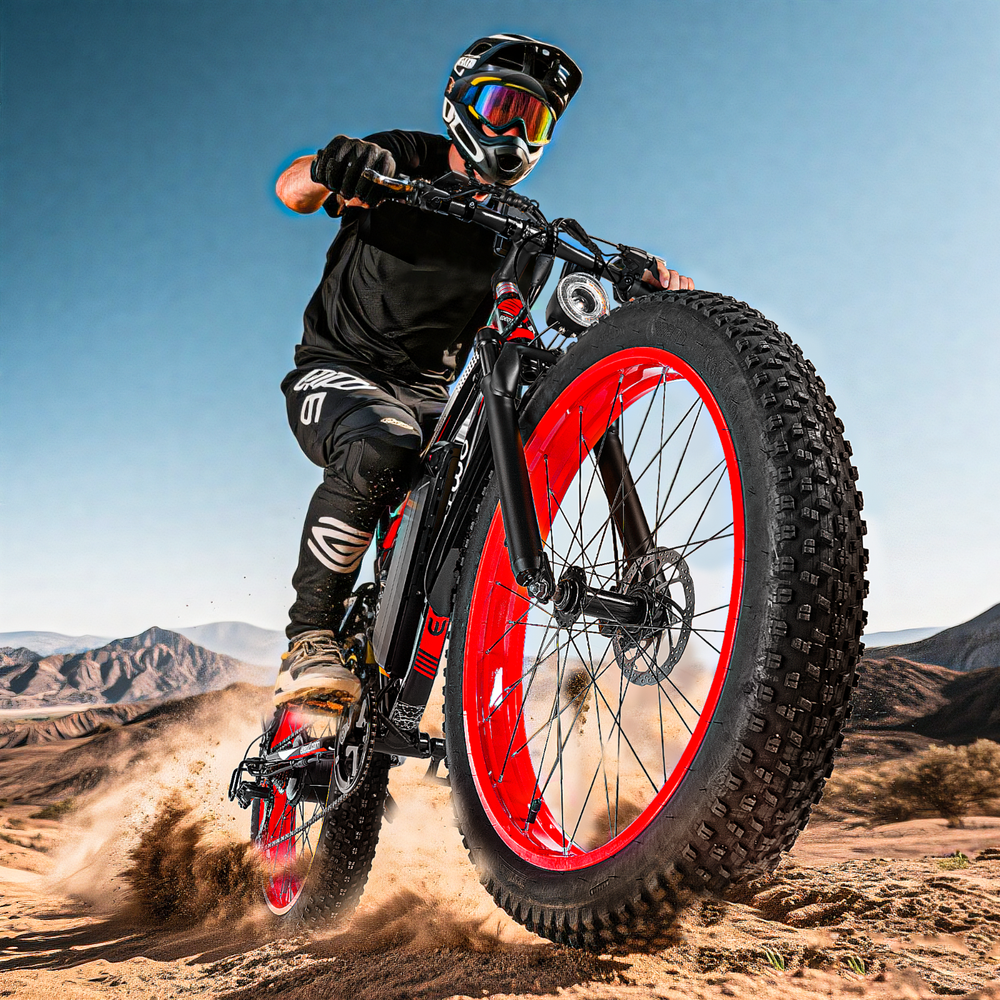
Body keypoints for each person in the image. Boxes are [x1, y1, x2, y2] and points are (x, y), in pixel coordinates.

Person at [272, 33, 694, 711]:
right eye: (501, 108)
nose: (513, 133)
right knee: (383, 442)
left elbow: (507, 330)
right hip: (339, 371)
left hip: (432, 400)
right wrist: (335, 165)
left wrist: (643, 283)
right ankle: (310, 638)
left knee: (481, 487)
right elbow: (293, 188)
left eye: (534, 121)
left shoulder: (522, 228)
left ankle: (443, 677)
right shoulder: (402, 158)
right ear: (460, 107)